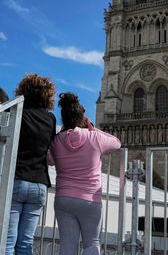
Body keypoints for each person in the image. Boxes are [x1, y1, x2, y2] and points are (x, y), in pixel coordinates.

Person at [49, 92, 121, 255]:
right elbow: (117, 143)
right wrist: (92, 128)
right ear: (82, 118)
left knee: (67, 246)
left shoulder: (57, 141)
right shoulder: (94, 137)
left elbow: (50, 161)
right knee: (91, 243)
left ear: (64, 118)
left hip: (63, 198)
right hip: (90, 200)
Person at [6, 74, 56, 255]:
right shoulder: (50, 119)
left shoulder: (17, 112)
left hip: (17, 179)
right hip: (39, 185)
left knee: (7, 242)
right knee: (26, 244)